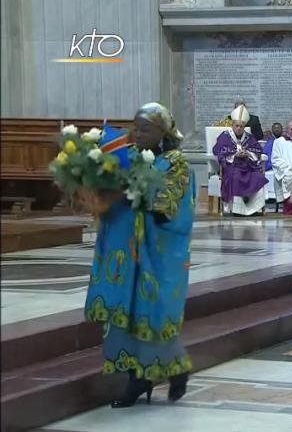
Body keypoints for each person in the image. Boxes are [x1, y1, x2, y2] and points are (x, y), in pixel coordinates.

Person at [85, 102, 195, 407]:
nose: (138, 133)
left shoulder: (175, 163)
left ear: (164, 131)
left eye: (145, 128)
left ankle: (176, 369)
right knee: (126, 313)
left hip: (157, 255)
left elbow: (170, 209)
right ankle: (136, 379)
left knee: (153, 313)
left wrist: (138, 192)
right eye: (135, 127)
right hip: (125, 256)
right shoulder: (130, 158)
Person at [212, 105, 267, 216]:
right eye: (236, 126)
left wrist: (248, 153)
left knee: (258, 177)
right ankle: (238, 210)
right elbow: (218, 151)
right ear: (232, 125)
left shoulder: (249, 137)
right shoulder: (225, 136)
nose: (238, 128)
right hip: (232, 168)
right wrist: (234, 155)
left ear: (244, 126)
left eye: (241, 126)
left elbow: (257, 151)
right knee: (236, 177)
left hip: (247, 167)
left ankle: (255, 208)